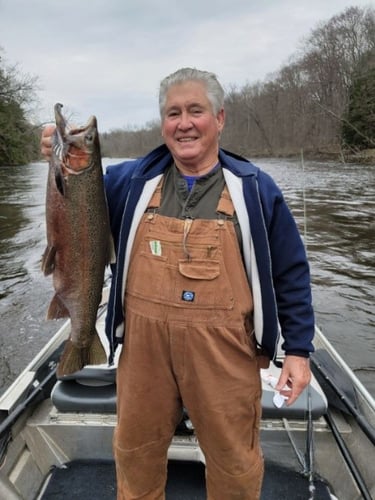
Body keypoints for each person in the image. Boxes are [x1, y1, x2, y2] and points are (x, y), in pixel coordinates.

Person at [41, 67, 314, 500]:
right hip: (143, 350)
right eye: (173, 113)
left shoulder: (255, 190)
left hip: (226, 353)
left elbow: (291, 273)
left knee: (235, 463)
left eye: (195, 111)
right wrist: (58, 156)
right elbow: (77, 206)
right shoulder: (128, 182)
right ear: (162, 123)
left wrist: (298, 350)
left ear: (219, 118)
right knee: (134, 454)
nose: (183, 123)